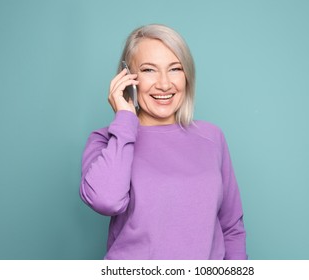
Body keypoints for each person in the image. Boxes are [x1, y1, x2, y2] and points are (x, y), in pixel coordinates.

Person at [80, 24, 247, 260]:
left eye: (175, 69)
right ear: (127, 77)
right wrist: (125, 120)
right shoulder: (108, 140)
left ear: (187, 74)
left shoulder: (212, 137)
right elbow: (106, 201)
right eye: (149, 70)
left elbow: (231, 227)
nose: (165, 84)